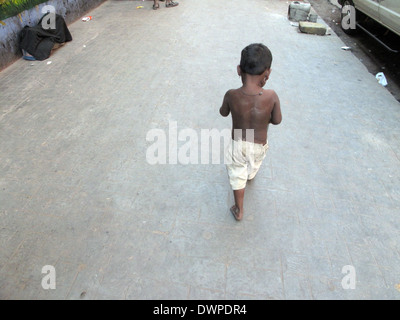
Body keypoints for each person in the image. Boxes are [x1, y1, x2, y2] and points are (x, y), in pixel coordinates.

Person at [220, 43, 282, 221]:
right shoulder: (271, 96)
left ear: (239, 70)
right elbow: (277, 120)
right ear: (267, 73)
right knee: (253, 163)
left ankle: (239, 209)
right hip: (259, 144)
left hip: (239, 142)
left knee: (237, 173)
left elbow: (223, 112)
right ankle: (251, 173)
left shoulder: (231, 94)